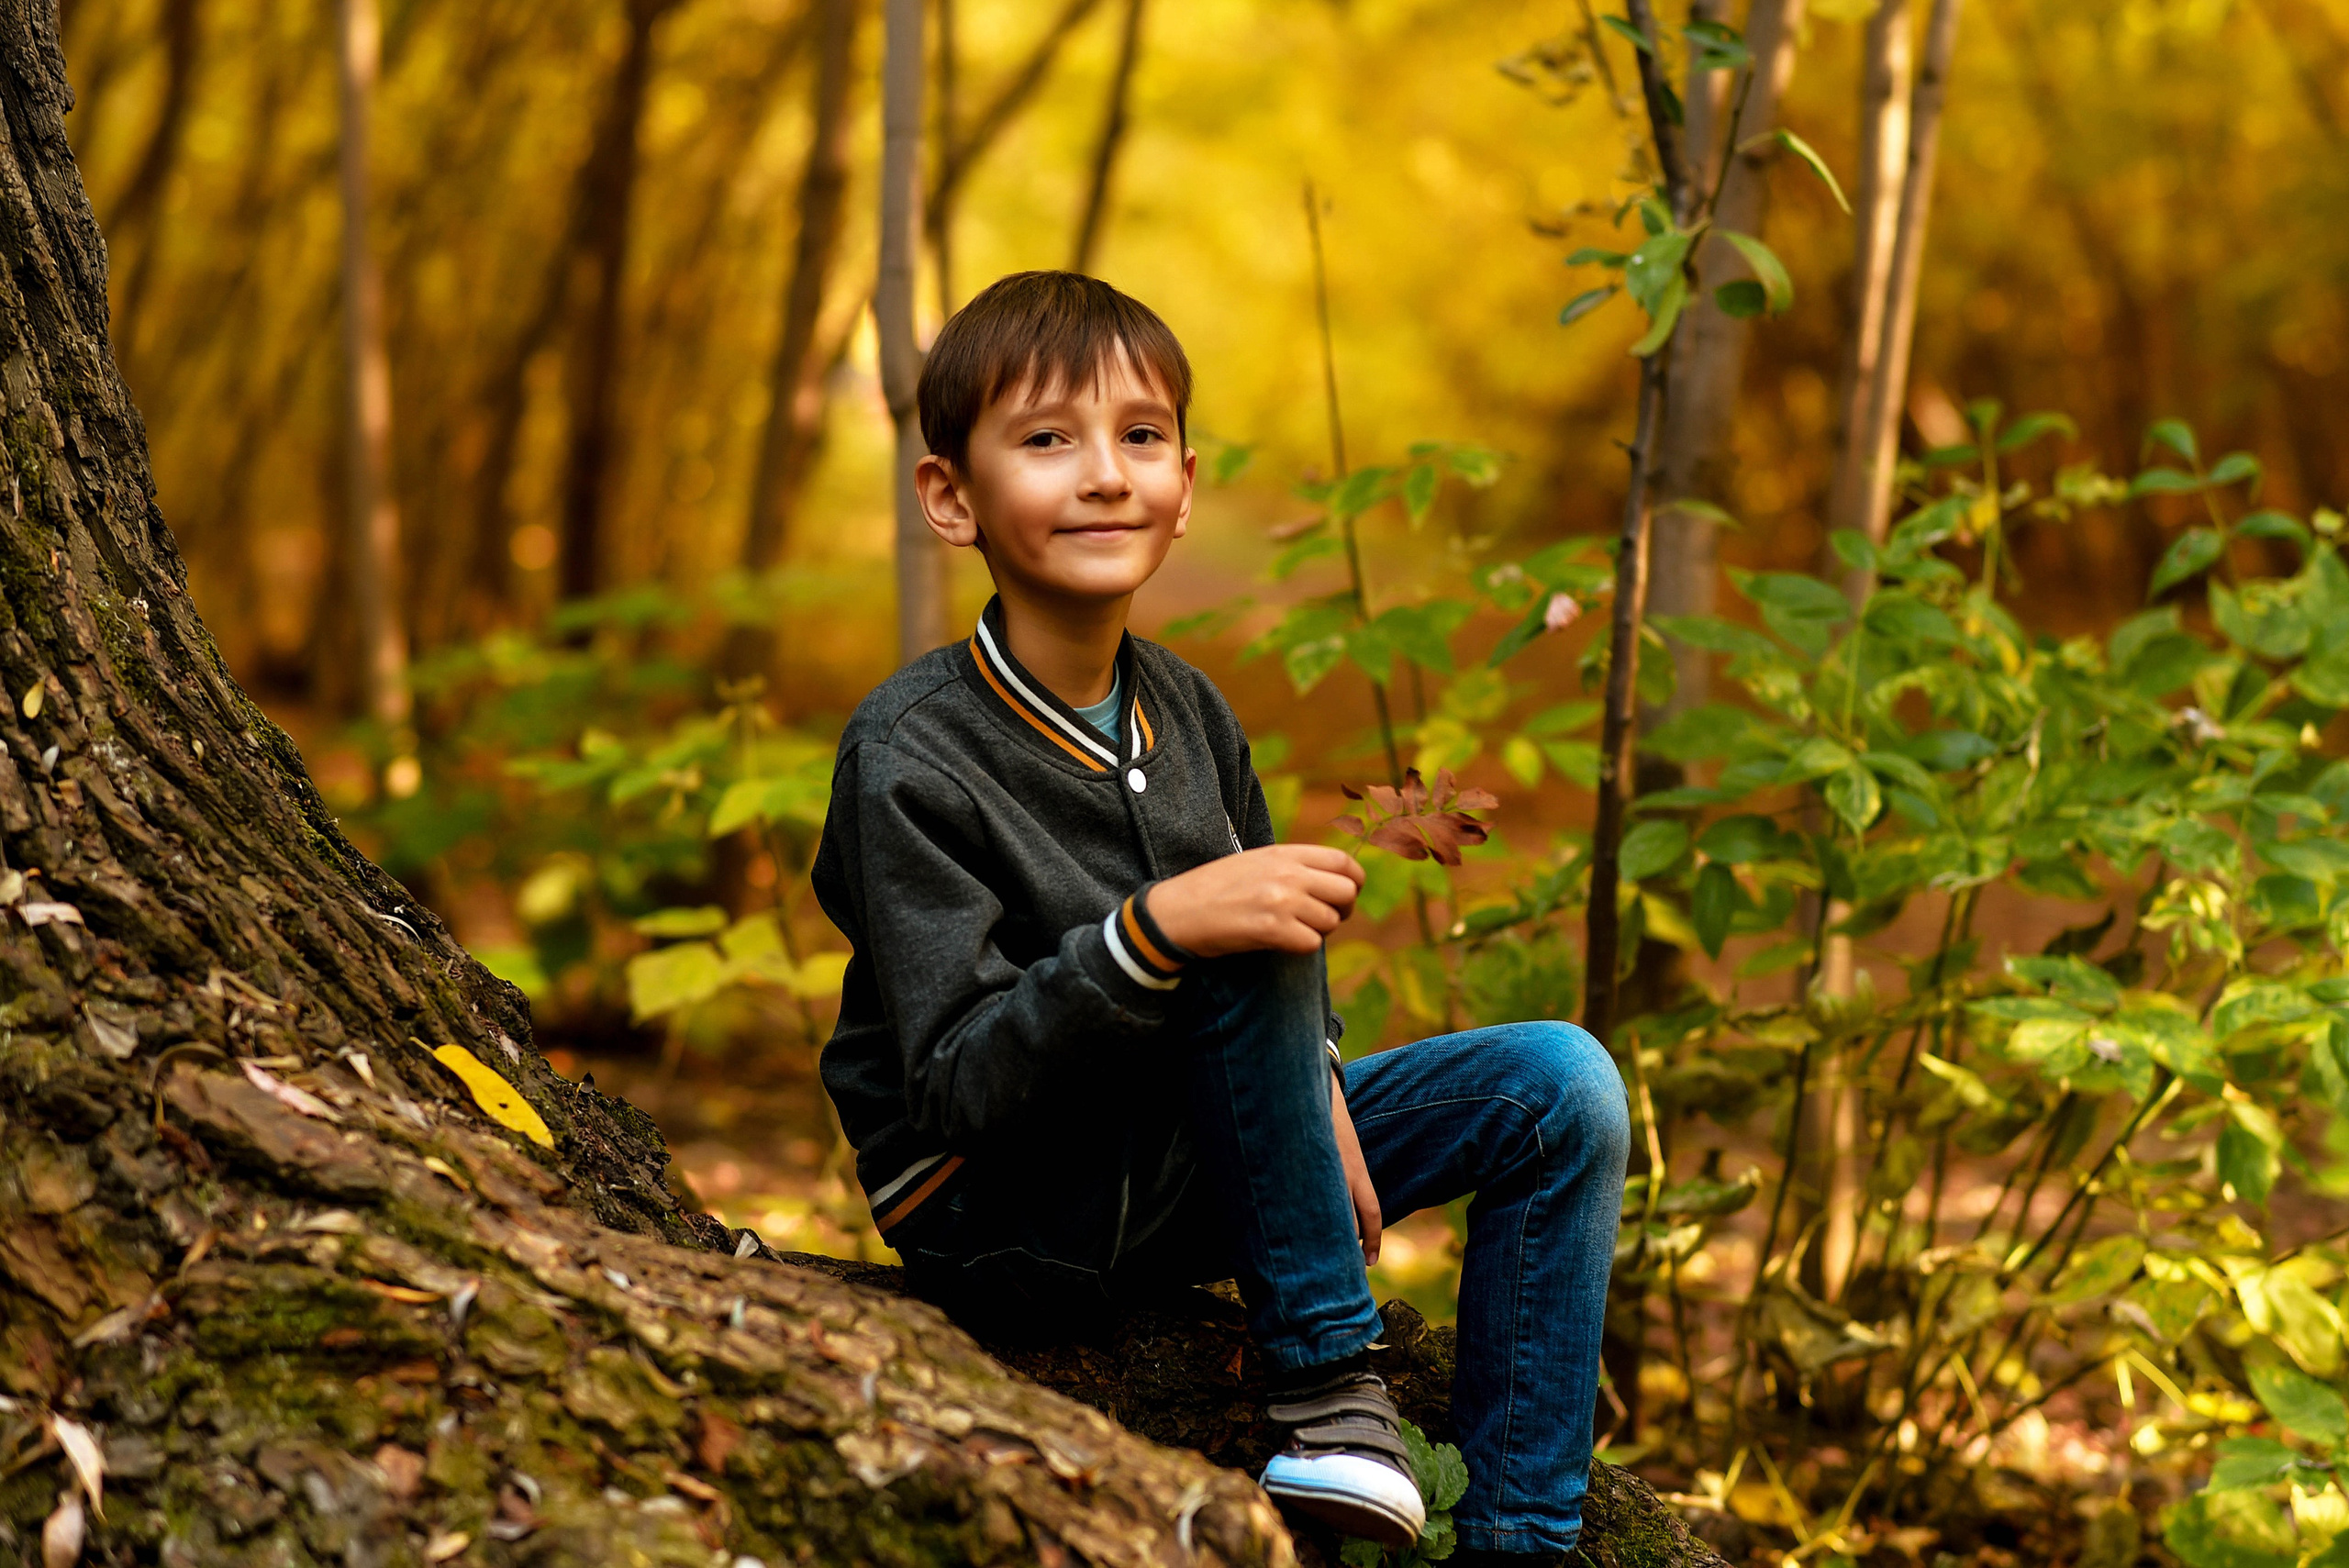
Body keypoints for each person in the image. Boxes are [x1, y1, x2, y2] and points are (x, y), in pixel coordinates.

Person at [811, 270, 1629, 1565]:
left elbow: (1268, 998)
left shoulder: (1187, 712)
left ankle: (1525, 1537)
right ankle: (1327, 1395)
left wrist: (1321, 1090)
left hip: (1187, 1159)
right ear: (949, 496)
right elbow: (956, 1087)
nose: (1103, 474)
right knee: (1225, 926)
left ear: (1184, 485)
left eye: (1139, 437)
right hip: (1011, 1210)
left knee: (1560, 1088)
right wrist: (1153, 933)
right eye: (1046, 439)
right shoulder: (912, 750)